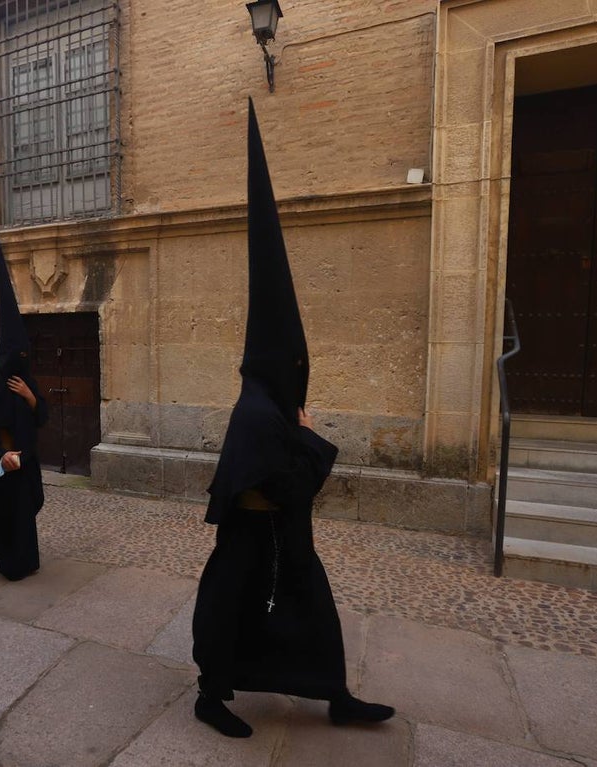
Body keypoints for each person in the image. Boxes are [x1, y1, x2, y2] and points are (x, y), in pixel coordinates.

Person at [191, 101, 395, 738]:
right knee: (230, 615)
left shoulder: (269, 403)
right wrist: (306, 436)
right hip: (251, 543)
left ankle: (334, 695)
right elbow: (287, 483)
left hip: (283, 540)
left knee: (314, 611)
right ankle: (209, 697)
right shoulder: (257, 411)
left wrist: (299, 434)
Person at [0, 228, 48, 581]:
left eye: (24, 356)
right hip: (0, 464)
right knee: (3, 512)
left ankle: (26, 560)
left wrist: (32, 400)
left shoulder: (26, 383)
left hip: (24, 461)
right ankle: (8, 560)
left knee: (23, 513)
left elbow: (42, 419)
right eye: (15, 356)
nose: (21, 361)